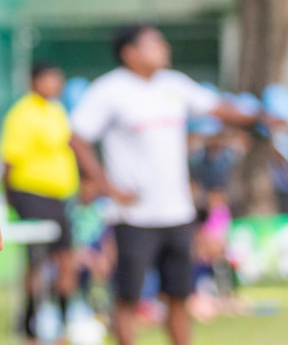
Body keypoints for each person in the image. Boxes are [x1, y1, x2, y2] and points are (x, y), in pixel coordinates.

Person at [69, 25, 267, 345]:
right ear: (129, 53)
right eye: (154, 44)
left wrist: (261, 117)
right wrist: (105, 185)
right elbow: (77, 136)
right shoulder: (110, 90)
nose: (164, 48)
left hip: (176, 212)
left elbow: (217, 107)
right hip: (134, 215)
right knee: (128, 297)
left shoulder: (174, 85)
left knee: (179, 295)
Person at [0, 61, 80, 344]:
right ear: (35, 81)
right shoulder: (23, 114)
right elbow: (9, 160)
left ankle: (64, 322)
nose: (56, 85)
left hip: (58, 198)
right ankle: (31, 324)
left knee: (67, 259)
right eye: (50, 79)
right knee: (37, 261)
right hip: (30, 194)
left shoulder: (57, 111)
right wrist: (9, 198)